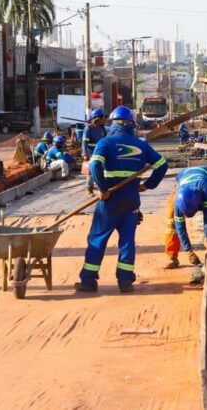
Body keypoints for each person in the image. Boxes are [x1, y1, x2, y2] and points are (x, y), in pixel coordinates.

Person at [78, 106, 168, 293]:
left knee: (97, 239)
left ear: (113, 123)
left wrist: (103, 188)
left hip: (110, 201)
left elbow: (94, 165)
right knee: (127, 241)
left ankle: (88, 282)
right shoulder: (141, 145)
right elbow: (162, 165)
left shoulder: (106, 142)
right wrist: (148, 185)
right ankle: (125, 282)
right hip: (131, 201)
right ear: (131, 125)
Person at [82, 109, 108, 195]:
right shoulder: (88, 129)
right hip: (91, 153)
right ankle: (90, 189)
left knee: (104, 170)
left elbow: (106, 139)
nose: (104, 119)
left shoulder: (102, 128)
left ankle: (103, 188)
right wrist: (85, 154)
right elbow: (84, 143)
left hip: (101, 152)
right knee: (91, 171)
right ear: (97, 119)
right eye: (103, 117)